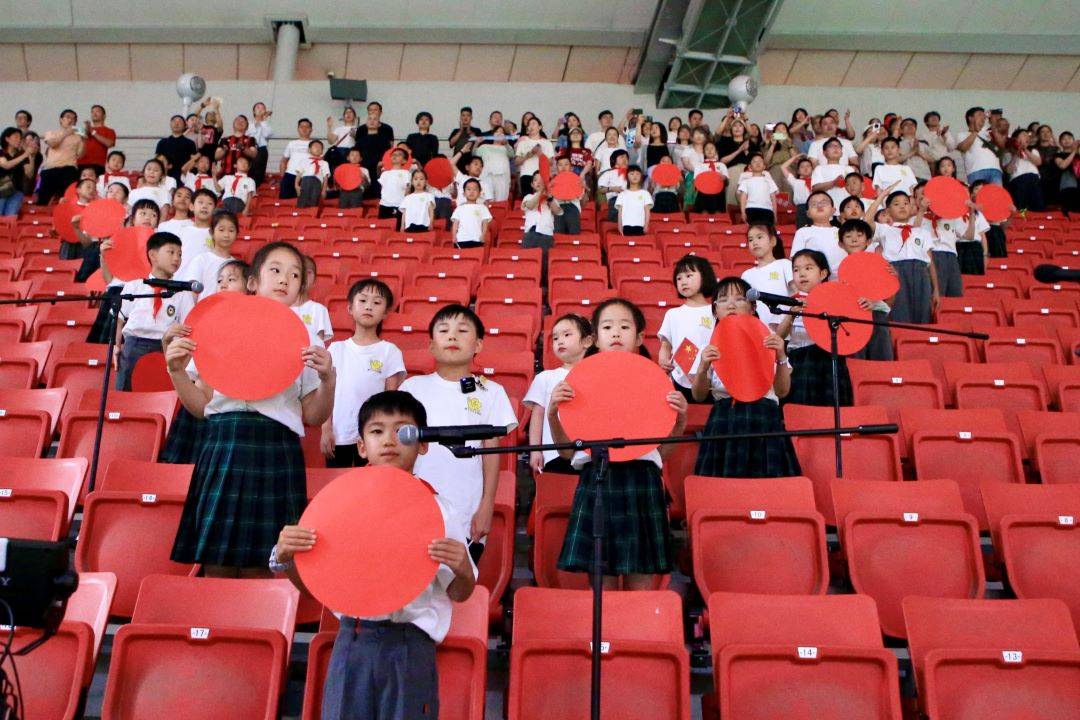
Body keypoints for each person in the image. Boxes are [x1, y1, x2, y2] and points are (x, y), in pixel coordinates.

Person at [270, 390, 476, 720]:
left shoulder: (438, 510)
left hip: (410, 646)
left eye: (403, 430)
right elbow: (316, 588)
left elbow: (459, 591)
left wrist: (464, 569)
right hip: (352, 641)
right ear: (362, 445)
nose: (390, 440)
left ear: (423, 443)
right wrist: (288, 558)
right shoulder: (338, 505)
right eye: (377, 431)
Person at [165, 241, 335, 576]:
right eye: (275, 270)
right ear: (253, 282)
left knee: (268, 565)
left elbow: (313, 416)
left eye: (295, 274)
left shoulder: (307, 337)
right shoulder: (217, 327)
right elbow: (200, 406)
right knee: (217, 564)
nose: (285, 279)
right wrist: (176, 371)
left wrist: (329, 378)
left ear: (301, 288)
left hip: (276, 447)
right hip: (223, 443)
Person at [546, 298, 688, 589]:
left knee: (641, 583)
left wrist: (681, 423)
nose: (615, 333)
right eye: (607, 327)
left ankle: (637, 634)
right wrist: (552, 414)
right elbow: (564, 451)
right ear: (595, 338)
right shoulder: (578, 382)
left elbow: (663, 452)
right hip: (598, 479)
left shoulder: (655, 381)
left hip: (642, 481)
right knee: (603, 584)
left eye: (624, 327)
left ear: (637, 337)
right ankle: (606, 637)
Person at [399, 304, 518, 555]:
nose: (452, 336)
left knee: (458, 588)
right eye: (444, 330)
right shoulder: (411, 388)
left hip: (466, 508)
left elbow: (491, 452)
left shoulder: (491, 392)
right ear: (431, 345)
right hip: (413, 508)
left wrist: (486, 506)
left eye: (463, 331)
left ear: (478, 345)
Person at [692, 277, 799, 478]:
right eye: (723, 300)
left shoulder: (768, 338)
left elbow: (783, 391)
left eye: (739, 299)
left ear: (752, 307)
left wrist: (782, 356)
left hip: (764, 416)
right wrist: (702, 367)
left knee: (768, 489)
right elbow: (698, 396)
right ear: (715, 310)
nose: (731, 304)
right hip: (725, 418)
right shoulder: (709, 346)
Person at [321, 279, 406, 468]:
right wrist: (326, 428)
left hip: (372, 437)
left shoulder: (389, 351)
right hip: (338, 434)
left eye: (376, 303)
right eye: (363, 301)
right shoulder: (336, 349)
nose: (369, 307)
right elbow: (327, 391)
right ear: (350, 308)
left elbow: (389, 399)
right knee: (339, 490)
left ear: (385, 313)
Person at [111, 231, 194, 390]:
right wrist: (116, 345)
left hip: (164, 347)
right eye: (171, 252)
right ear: (153, 255)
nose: (177, 258)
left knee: (160, 393)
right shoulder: (134, 286)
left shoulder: (182, 292)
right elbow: (119, 318)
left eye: (180, 254)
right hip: (134, 344)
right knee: (126, 393)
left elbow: (186, 326)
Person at [777, 249, 852, 407]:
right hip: (799, 359)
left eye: (808, 268)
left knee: (830, 406)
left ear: (823, 273)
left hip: (828, 358)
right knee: (801, 406)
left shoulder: (835, 299)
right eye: (796, 270)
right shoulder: (789, 302)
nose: (802, 274)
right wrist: (790, 315)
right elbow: (779, 336)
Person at [525, 314, 594, 476]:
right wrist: (536, 450)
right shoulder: (545, 377)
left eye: (567, 335)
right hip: (555, 454)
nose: (560, 341)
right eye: (555, 338)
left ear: (587, 341)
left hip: (592, 454)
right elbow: (538, 415)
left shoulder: (596, 375)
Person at [865, 190, 939, 324]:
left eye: (906, 203)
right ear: (887, 210)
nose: (902, 206)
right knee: (900, 313)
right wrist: (882, 196)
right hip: (896, 272)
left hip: (921, 273)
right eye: (896, 204)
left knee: (922, 313)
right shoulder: (884, 230)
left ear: (911, 208)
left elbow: (930, 263)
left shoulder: (922, 232)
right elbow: (867, 220)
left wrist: (936, 290)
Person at [658, 255, 717, 402]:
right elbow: (666, 345)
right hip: (680, 377)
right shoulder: (673, 314)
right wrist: (663, 359)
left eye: (689, 276)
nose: (683, 281)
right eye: (679, 278)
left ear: (705, 277)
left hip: (711, 376)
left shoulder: (716, 311)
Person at [838, 218, 895, 361]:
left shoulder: (880, 265)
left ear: (868, 241)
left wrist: (893, 279)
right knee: (856, 361)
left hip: (877, 316)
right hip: (850, 318)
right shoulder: (837, 269)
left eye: (859, 235)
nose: (854, 239)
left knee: (881, 360)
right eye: (848, 236)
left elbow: (889, 297)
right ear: (841, 244)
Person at [175, 210, 237, 301]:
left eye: (231, 230)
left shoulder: (236, 265)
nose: (226, 235)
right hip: (202, 311)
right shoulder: (201, 260)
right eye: (221, 230)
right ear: (211, 232)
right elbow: (190, 294)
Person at [741, 223, 793, 329]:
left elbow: (796, 292)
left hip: (784, 328)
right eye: (750, 240)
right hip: (759, 331)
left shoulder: (784, 264)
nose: (755, 242)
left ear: (773, 241)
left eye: (759, 237)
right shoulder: (746, 274)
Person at [790, 190, 847, 273]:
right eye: (814, 204)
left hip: (842, 277)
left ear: (833, 210)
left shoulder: (842, 231)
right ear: (808, 213)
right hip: (815, 279)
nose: (819, 206)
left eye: (824, 203)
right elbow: (795, 258)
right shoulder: (803, 232)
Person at [37, 109, 84, 205]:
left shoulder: (78, 137)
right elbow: (52, 143)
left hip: (69, 169)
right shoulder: (51, 133)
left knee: (68, 199)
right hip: (50, 169)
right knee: (43, 200)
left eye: (73, 119)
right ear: (61, 120)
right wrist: (67, 133)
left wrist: (84, 140)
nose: (70, 120)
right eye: (68, 117)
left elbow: (81, 155)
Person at [355, 101, 394, 198]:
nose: (372, 121)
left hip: (378, 169)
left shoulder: (385, 141)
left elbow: (388, 155)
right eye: (369, 119)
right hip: (364, 168)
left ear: (378, 123)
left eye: (375, 119)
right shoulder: (360, 141)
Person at [956, 106, 1004, 186]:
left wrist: (992, 115)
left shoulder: (988, 131)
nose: (983, 117)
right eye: (979, 115)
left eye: (983, 115)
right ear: (970, 118)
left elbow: (999, 125)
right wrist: (976, 131)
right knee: (978, 196)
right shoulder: (962, 134)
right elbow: (963, 148)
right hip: (975, 171)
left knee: (996, 197)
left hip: (995, 170)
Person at [294, 255, 334, 346]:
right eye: (298, 271)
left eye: (308, 272)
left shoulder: (319, 309)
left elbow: (319, 343)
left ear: (315, 281)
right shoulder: (281, 308)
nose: (303, 276)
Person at [1004, 128, 1045, 211]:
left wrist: (1024, 149)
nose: (1026, 137)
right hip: (1018, 180)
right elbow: (1008, 170)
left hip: (1034, 178)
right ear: (1016, 138)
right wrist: (1017, 152)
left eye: (1027, 136)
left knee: (1037, 205)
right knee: (1021, 207)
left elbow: (1038, 162)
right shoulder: (1008, 154)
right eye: (1023, 135)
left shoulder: (1032, 150)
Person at [514, 117, 555, 197]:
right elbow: (516, 162)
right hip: (526, 175)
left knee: (543, 202)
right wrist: (529, 155)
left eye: (533, 123)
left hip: (542, 176)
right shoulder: (522, 143)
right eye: (529, 125)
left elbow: (550, 162)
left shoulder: (547, 143)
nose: (531, 126)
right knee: (528, 202)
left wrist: (540, 154)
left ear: (540, 127)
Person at [522, 171, 562, 250]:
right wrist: (541, 192)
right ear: (532, 185)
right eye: (536, 180)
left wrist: (549, 198)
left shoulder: (551, 198)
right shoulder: (528, 197)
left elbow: (557, 211)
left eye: (542, 180)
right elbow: (530, 205)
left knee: (544, 260)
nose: (539, 182)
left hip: (546, 234)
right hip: (530, 233)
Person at [474, 126, 514, 202]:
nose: (499, 134)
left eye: (502, 132)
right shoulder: (484, 146)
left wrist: (506, 144)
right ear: (492, 134)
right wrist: (476, 143)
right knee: (486, 201)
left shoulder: (507, 148)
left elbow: (512, 155)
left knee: (501, 202)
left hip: (502, 177)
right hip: (487, 176)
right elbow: (474, 155)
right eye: (497, 132)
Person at [737, 152, 779, 225]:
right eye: (754, 161)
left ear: (764, 166)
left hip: (767, 210)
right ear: (750, 167)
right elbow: (743, 198)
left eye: (760, 161)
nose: (758, 163)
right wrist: (743, 212)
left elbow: (773, 199)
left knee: (766, 232)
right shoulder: (746, 181)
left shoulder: (769, 181)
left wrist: (775, 214)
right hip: (751, 209)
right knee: (753, 230)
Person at [810, 138, 852, 210]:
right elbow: (815, 188)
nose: (835, 148)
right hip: (826, 210)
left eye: (838, 146)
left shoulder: (850, 169)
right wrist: (833, 183)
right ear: (824, 152)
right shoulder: (819, 168)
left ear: (842, 152)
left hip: (847, 210)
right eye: (831, 146)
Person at [450, 179, 492, 248]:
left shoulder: (483, 208)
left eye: (475, 189)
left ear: (479, 193)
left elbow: (485, 223)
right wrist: (454, 236)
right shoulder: (459, 208)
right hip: (461, 240)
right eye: (468, 189)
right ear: (464, 193)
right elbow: (455, 224)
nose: (471, 192)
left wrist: (483, 235)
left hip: (477, 239)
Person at [155, 115, 198, 183]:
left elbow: (193, 161)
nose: (176, 123)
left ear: (185, 126)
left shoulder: (190, 143)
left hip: (182, 178)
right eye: (174, 121)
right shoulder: (162, 142)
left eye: (180, 122)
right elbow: (158, 160)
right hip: (165, 177)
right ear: (170, 124)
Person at [279, 117, 314, 200]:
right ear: (298, 129)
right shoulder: (292, 143)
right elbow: (283, 161)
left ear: (311, 130)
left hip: (307, 177)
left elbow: (320, 161)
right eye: (302, 127)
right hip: (290, 176)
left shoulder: (315, 144)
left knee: (304, 204)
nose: (304, 129)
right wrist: (283, 177)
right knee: (285, 203)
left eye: (307, 127)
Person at [0, 127, 32, 216]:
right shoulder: (1, 153)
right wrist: (25, 155)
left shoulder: (22, 155)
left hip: (17, 190)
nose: (19, 140)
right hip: (2, 189)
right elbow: (6, 165)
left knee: (11, 215)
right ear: (7, 139)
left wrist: (30, 156)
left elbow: (29, 173)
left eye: (20, 138)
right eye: (16, 137)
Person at [77, 104, 116, 175]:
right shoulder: (83, 129)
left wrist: (92, 131)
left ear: (104, 116)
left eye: (97, 111)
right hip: (80, 163)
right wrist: (86, 130)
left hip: (98, 165)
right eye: (92, 112)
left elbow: (109, 144)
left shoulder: (110, 131)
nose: (94, 114)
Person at [377, 147, 412, 224]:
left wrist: (405, 205)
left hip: (399, 205)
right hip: (384, 205)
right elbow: (382, 189)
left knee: (397, 229)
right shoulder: (385, 173)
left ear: (404, 161)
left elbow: (408, 189)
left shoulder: (406, 173)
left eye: (399, 155)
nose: (395, 156)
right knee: (383, 228)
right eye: (393, 154)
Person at [553, 154, 586, 235]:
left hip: (573, 207)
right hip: (557, 207)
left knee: (573, 235)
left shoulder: (577, 180)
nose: (563, 167)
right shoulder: (552, 182)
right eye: (560, 165)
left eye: (566, 164)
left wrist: (584, 189)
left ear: (571, 168)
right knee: (558, 236)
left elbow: (583, 201)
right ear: (557, 168)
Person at [615, 165, 652, 236]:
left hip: (640, 225)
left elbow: (647, 211)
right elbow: (620, 212)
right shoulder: (622, 194)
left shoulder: (645, 193)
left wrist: (646, 225)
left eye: (637, 174)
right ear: (627, 177)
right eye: (632, 174)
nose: (635, 176)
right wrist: (619, 225)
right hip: (626, 225)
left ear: (641, 177)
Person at [692, 142, 728, 214]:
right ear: (704, 152)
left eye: (712, 148)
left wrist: (722, 178)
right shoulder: (699, 166)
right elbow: (695, 182)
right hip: (703, 194)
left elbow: (726, 181)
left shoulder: (722, 165)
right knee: (704, 213)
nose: (709, 150)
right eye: (707, 149)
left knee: (718, 213)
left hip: (718, 193)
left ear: (716, 151)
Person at [782, 153, 814, 227]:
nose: (805, 168)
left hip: (814, 207)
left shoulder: (817, 181)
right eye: (802, 167)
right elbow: (783, 167)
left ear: (812, 169)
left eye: (808, 166)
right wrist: (794, 157)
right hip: (801, 208)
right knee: (801, 230)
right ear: (798, 171)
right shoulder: (795, 182)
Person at [295, 139, 330, 208]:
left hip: (317, 183)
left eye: (320, 147)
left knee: (314, 201)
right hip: (305, 182)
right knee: (302, 201)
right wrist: (296, 185)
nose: (318, 149)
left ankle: (312, 215)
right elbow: (299, 174)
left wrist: (324, 190)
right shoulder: (304, 161)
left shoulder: (324, 163)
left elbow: (325, 178)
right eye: (315, 147)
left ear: (322, 151)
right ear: (309, 150)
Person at [247, 102, 273, 186]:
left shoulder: (266, 124)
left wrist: (263, 121)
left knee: (258, 173)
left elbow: (267, 134)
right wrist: (260, 121)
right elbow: (249, 132)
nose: (260, 109)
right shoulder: (248, 123)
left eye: (263, 108)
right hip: (249, 148)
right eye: (258, 107)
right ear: (253, 111)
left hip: (261, 149)